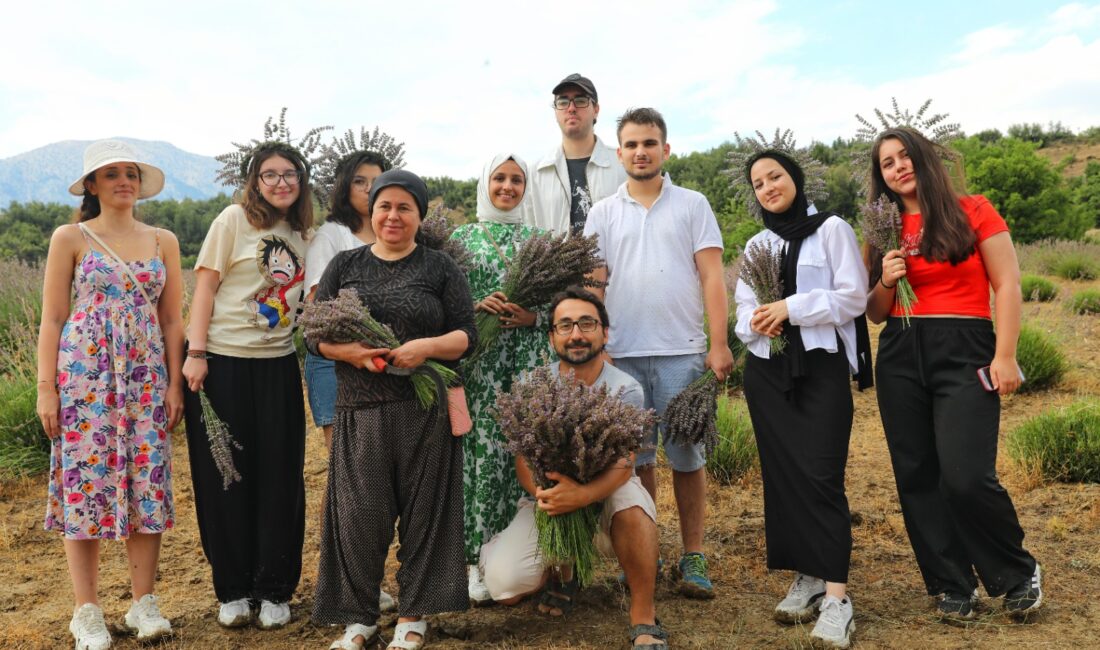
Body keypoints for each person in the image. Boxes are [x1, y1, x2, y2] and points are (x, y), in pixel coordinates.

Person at [866, 127, 1042, 622]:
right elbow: (875, 312)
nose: (898, 167)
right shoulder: (881, 228)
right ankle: (952, 584)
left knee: (966, 476)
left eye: (905, 156)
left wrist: (1004, 356)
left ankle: (1018, 572)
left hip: (966, 348)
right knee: (917, 474)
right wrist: (884, 278)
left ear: (924, 158)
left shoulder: (975, 209)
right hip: (900, 350)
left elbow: (1007, 284)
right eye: (887, 163)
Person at [309, 169, 477, 650]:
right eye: (385, 206)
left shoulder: (440, 267)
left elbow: (468, 334)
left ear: (420, 215)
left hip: (425, 410)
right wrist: (355, 354)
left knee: (427, 514)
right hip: (361, 409)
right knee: (358, 516)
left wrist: (425, 346)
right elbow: (315, 334)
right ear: (371, 211)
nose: (393, 215)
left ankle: (412, 616)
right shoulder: (345, 264)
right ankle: (358, 619)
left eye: (405, 207)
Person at [37, 139, 183, 649]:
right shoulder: (70, 237)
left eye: (131, 173)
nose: (124, 180)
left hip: (145, 378)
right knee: (87, 482)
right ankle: (87, 612)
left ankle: (143, 602)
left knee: (147, 477)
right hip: (85, 376)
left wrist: (174, 381)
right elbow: (52, 317)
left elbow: (171, 319)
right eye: (112, 173)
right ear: (93, 185)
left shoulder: (163, 239)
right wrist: (46, 390)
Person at [584, 107, 733, 599]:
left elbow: (712, 275)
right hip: (621, 356)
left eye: (650, 143)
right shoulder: (602, 213)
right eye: (631, 144)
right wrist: (595, 352)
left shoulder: (693, 204)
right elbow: (593, 286)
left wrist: (717, 343)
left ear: (665, 150)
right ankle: (648, 551)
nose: (641, 152)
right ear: (619, 151)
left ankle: (693, 556)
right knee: (637, 459)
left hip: (682, 352)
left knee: (687, 457)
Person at [733, 146, 871, 649]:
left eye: (775, 176)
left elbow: (853, 297)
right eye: (759, 183)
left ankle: (838, 598)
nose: (768, 187)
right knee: (785, 478)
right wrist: (757, 319)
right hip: (768, 372)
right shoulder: (756, 245)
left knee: (821, 477)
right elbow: (743, 308)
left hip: (821, 368)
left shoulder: (831, 229)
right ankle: (808, 578)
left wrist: (790, 307)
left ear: (793, 178)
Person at [480, 286, 668, 649]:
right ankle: (562, 571)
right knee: (505, 588)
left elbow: (625, 463)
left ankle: (643, 613)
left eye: (586, 324)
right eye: (565, 326)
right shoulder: (532, 385)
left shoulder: (625, 388)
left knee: (633, 507)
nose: (576, 335)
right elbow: (524, 457)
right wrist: (543, 494)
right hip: (550, 489)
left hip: (608, 487)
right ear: (551, 336)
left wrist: (582, 495)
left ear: (604, 332)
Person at [182, 141, 311, 631]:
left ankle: (275, 588)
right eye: (270, 175)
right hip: (223, 363)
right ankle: (233, 589)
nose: (281, 183)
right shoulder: (232, 221)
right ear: (255, 181)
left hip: (278, 365)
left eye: (290, 174)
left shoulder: (304, 230)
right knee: (225, 476)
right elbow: (206, 289)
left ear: (301, 180)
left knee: (281, 476)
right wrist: (195, 354)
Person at [449, 153, 553, 604]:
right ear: (484, 183)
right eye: (499, 178)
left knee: (527, 453)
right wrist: (475, 308)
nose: (508, 187)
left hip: (528, 364)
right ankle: (474, 561)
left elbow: (563, 307)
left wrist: (533, 316)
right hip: (480, 366)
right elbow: (443, 303)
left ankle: (533, 555)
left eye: (516, 180)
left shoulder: (542, 241)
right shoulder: (459, 238)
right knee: (481, 457)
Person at [305, 150, 389, 449]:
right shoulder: (332, 235)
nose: (369, 188)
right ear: (344, 187)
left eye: (377, 181)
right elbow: (318, 307)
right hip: (336, 360)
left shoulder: (396, 233)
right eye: (359, 181)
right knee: (347, 463)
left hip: (386, 360)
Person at [526, 73, 627, 235]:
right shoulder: (534, 174)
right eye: (563, 102)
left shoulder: (623, 164)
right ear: (555, 111)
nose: (571, 108)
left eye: (580, 101)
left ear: (596, 110)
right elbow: (526, 233)